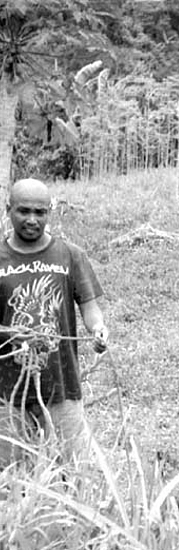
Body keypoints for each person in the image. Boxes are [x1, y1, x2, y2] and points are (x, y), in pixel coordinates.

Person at [0, 178, 109, 466]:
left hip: (62, 386)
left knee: (72, 468)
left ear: (50, 212)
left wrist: (98, 329)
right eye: (24, 211)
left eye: (40, 212)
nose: (32, 220)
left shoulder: (70, 255)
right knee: (9, 473)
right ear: (8, 210)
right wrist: (10, 333)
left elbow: (89, 307)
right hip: (6, 393)